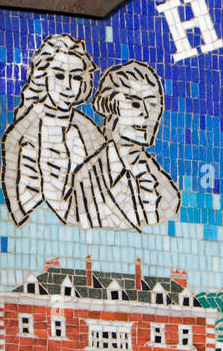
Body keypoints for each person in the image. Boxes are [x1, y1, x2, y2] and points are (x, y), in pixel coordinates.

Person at [0, 34, 105, 226]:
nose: (67, 86)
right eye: (59, 75)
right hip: (40, 227)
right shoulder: (25, 131)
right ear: (43, 76)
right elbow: (18, 195)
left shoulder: (89, 132)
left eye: (75, 77)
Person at [68, 61, 181, 230]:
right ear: (112, 108)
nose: (146, 114)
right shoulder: (84, 181)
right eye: (135, 104)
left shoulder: (167, 192)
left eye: (153, 105)